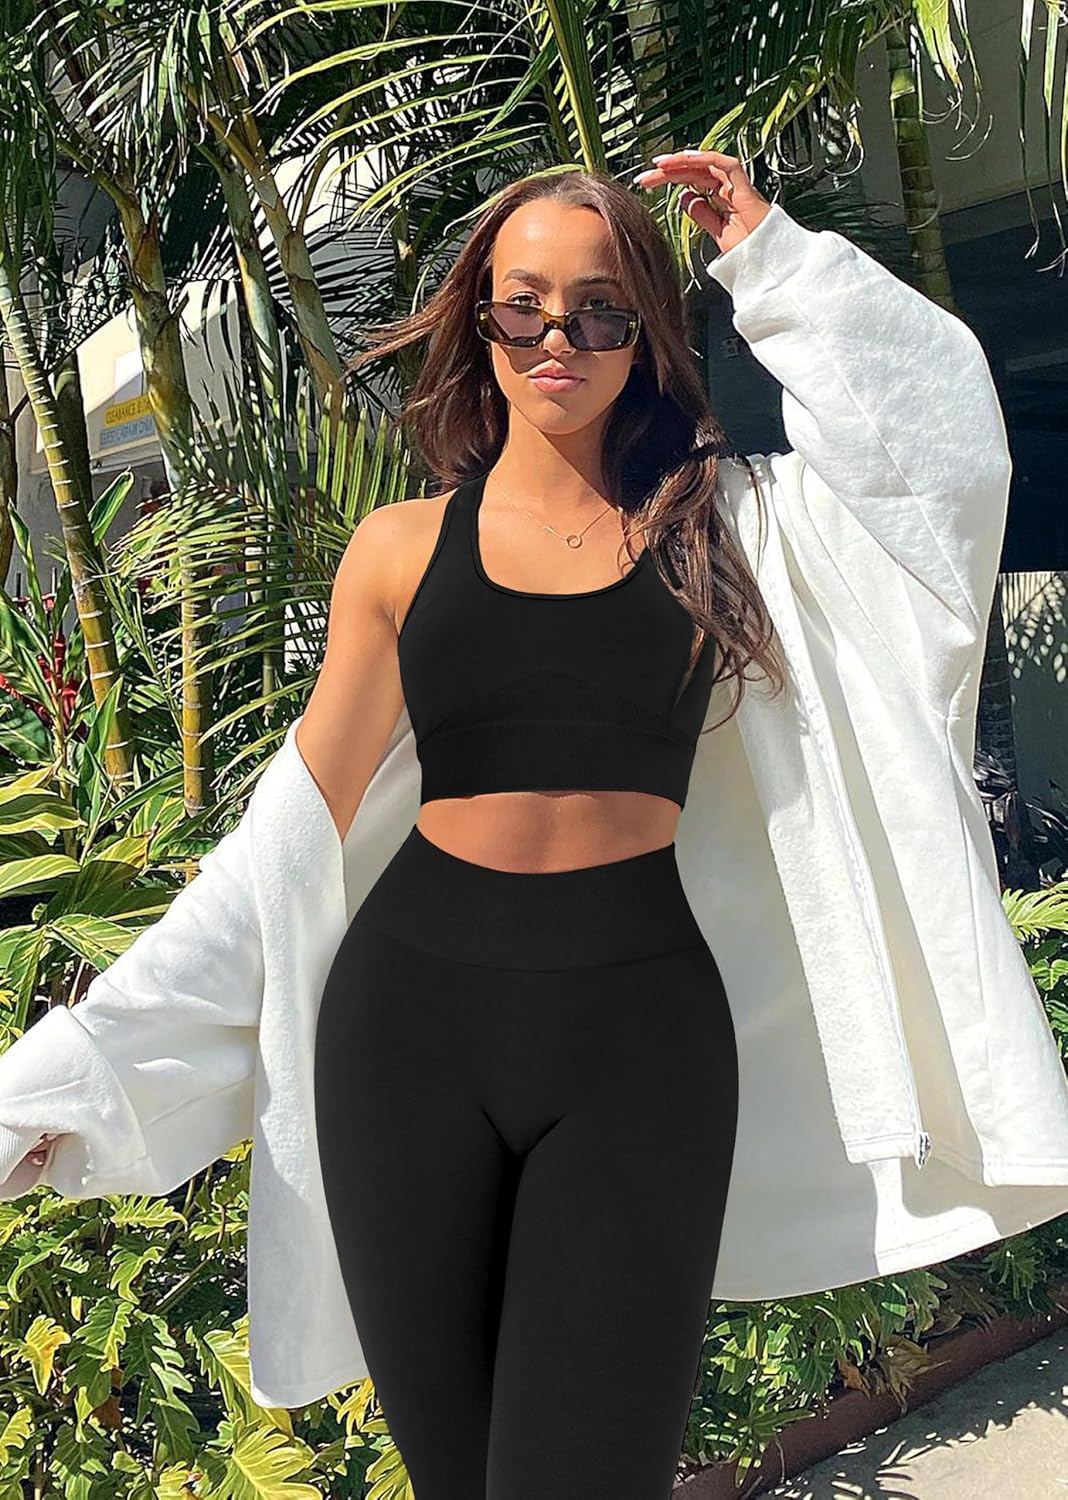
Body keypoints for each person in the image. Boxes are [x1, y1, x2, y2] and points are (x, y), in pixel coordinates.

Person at [3, 154, 1068, 1500]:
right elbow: (287, 843)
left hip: (640, 1048)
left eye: (601, 307)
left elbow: (937, 466)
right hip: (403, 1041)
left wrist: (777, 264)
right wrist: (77, 1070)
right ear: (480, 322)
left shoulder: (730, 530)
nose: (559, 336)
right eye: (524, 306)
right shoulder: (398, 550)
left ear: (648, 333)